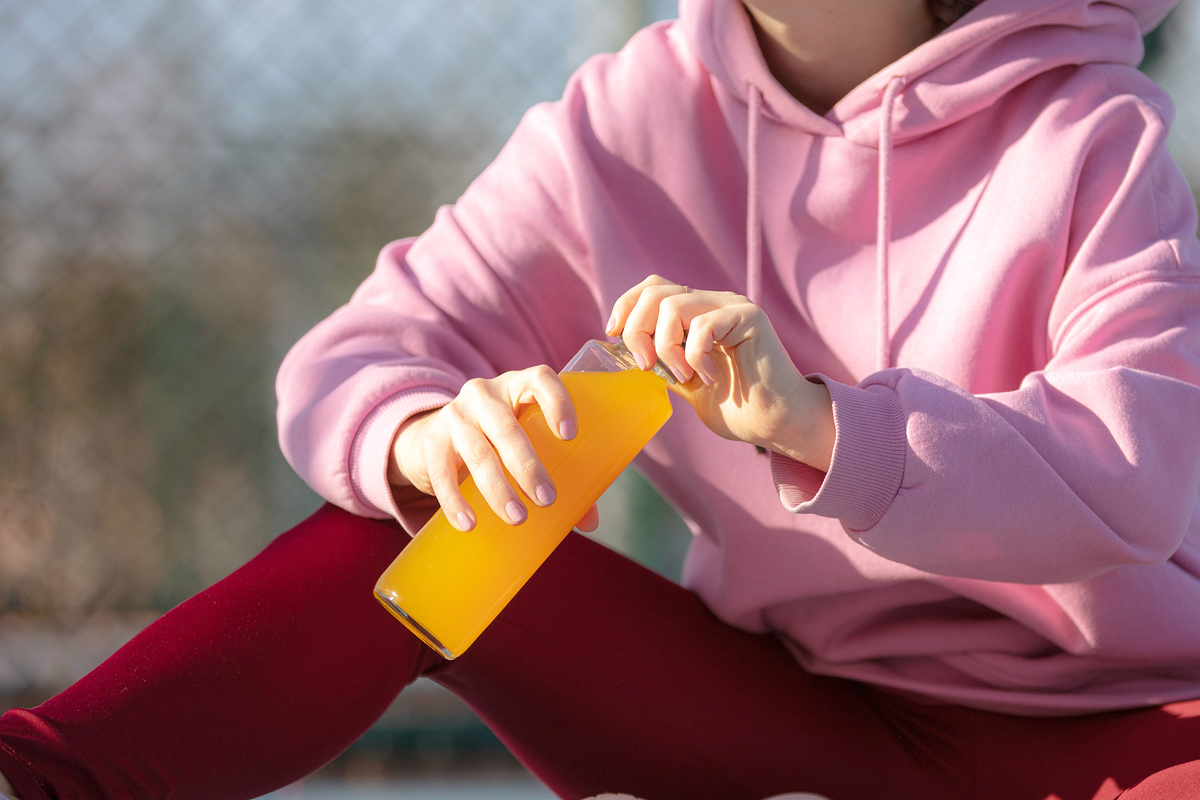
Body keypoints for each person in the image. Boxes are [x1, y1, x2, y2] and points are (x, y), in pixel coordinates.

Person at [2, 0, 1200, 797]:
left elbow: (1137, 469)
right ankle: (46, 777)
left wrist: (825, 422)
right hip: (792, 708)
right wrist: (425, 431)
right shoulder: (632, 113)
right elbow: (357, 356)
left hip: (1121, 724)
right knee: (423, 516)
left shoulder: (1092, 132)